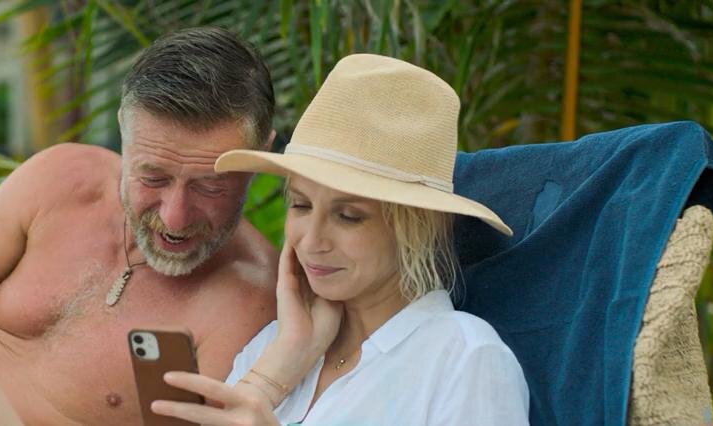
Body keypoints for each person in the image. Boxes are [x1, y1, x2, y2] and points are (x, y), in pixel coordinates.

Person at [0, 27, 279, 425]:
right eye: (153, 177)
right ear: (124, 134)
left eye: (210, 186)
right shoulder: (62, 182)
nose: (174, 217)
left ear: (264, 153)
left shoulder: (250, 301)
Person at [151, 54, 530, 425]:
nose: (312, 240)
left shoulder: (463, 358)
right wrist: (273, 373)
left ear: (416, 226)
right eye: (301, 206)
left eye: (348, 216)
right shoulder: (274, 345)